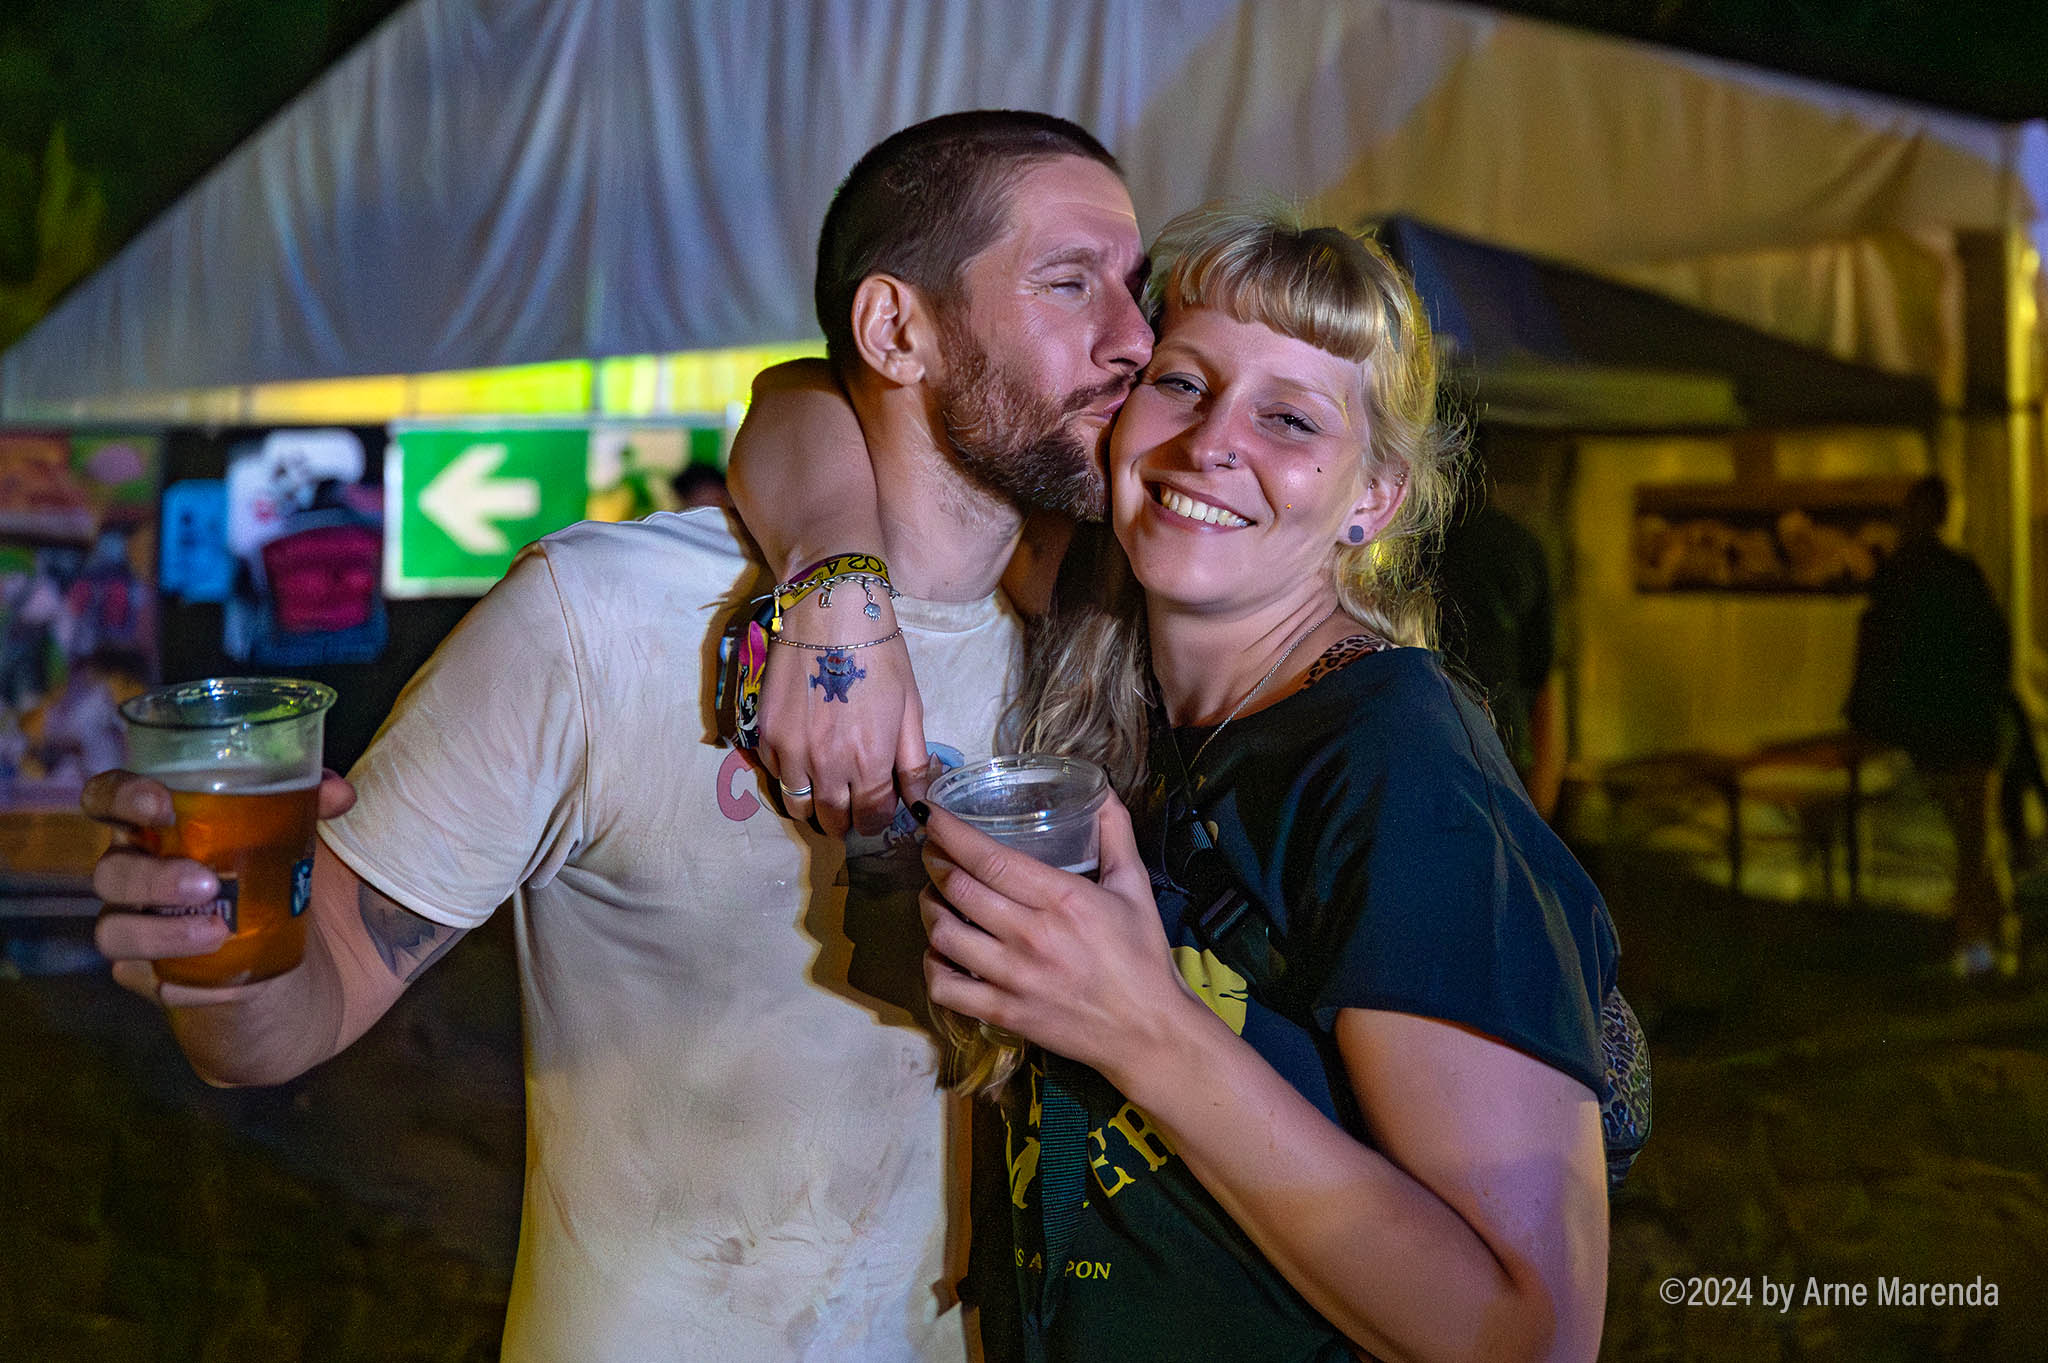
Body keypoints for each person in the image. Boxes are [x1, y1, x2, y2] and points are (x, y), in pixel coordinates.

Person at [82, 109, 1152, 1362]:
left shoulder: (1097, 642)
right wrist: (226, 950)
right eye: (1068, 284)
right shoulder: (601, 619)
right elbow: (294, 1019)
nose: (1132, 338)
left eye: (1133, 289)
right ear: (893, 330)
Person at [739, 207, 1615, 1361]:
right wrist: (836, 588)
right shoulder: (1104, 625)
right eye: (1183, 384)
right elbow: (806, 398)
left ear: (1371, 499)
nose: (1210, 445)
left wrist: (1138, 1025)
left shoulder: (1393, 768)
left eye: (1288, 418)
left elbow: (1526, 1332)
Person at [1847, 472, 2018, 979]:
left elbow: (1879, 648)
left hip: (1938, 733)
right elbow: (1995, 645)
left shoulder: (1903, 574)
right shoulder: (1958, 573)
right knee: (1973, 841)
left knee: (1968, 842)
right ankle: (1991, 942)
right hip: (1970, 730)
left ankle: (1982, 947)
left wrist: (1874, 715)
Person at [1432, 459, 1564, 819]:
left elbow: (1542, 674)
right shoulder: (1518, 544)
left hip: (1456, 754)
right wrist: (1543, 791)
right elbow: (1543, 675)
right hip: (1500, 757)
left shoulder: (1407, 545)